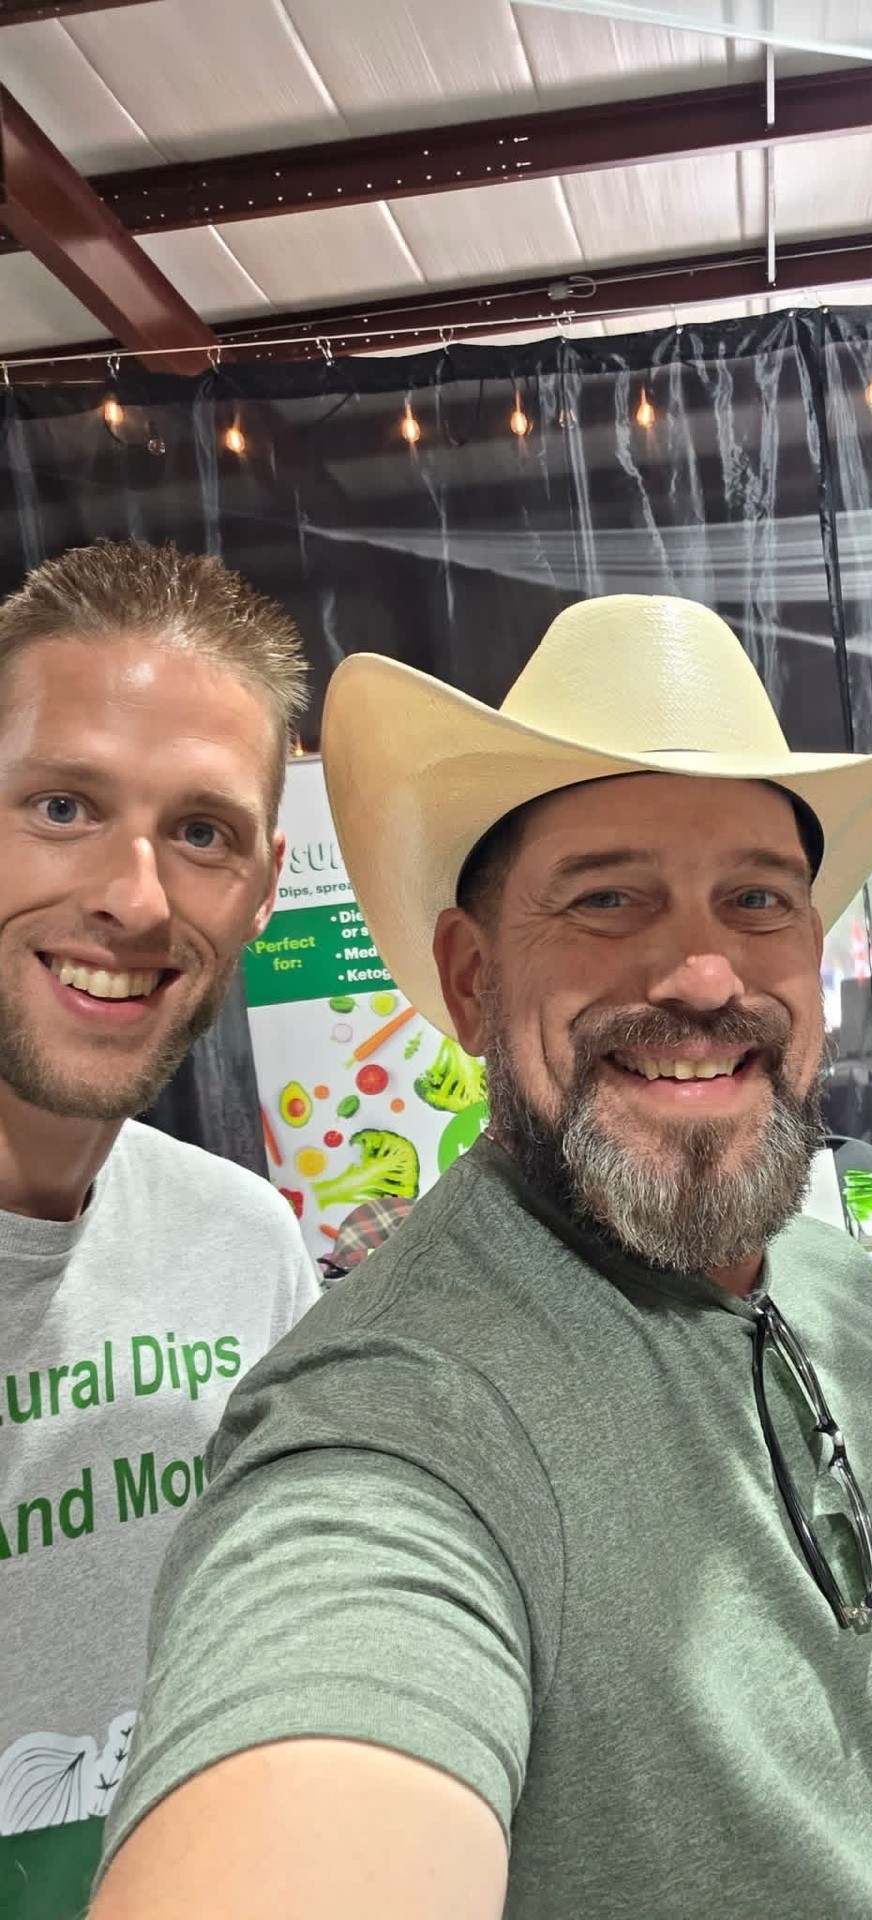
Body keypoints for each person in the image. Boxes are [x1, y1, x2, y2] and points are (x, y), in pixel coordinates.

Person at [91, 596, 872, 1920]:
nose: (702, 974)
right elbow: (333, 1667)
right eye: (608, 897)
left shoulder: (839, 1284)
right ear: (471, 980)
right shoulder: (400, 1422)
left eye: (756, 897)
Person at [0, 540, 321, 1919]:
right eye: (62, 805)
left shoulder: (244, 1247)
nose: (134, 898)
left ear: (262, 885)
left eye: (201, 833)